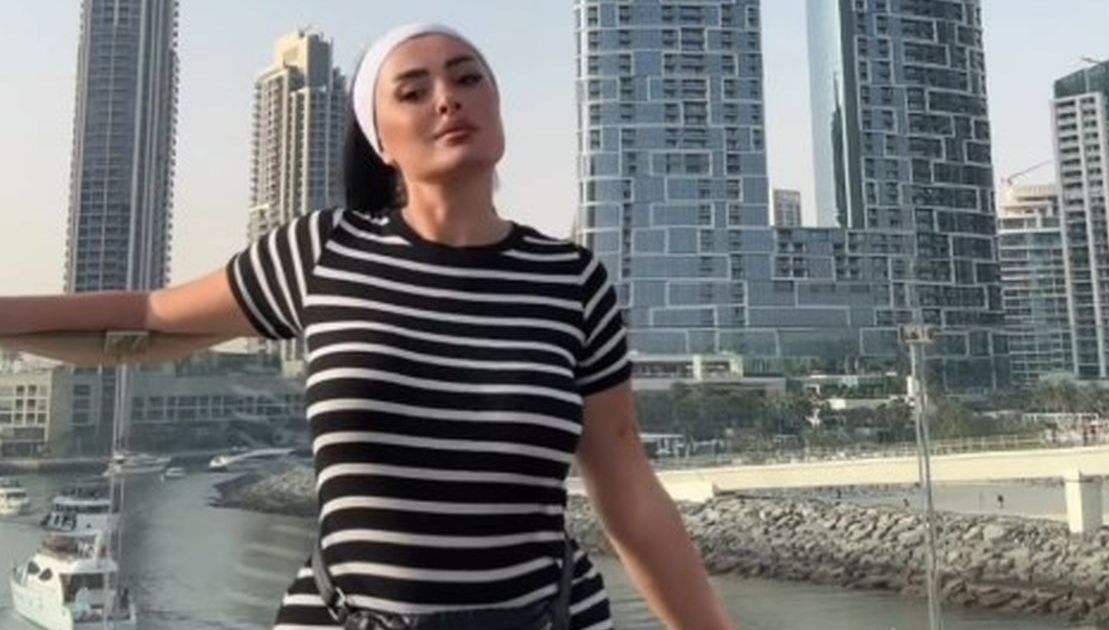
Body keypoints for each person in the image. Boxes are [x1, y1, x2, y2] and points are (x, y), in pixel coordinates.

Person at [0, 22, 734, 630]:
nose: (448, 98)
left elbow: (628, 490)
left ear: (498, 104)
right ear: (382, 140)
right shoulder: (325, 251)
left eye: (467, 78)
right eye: (413, 91)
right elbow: (146, 319)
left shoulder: (571, 279)